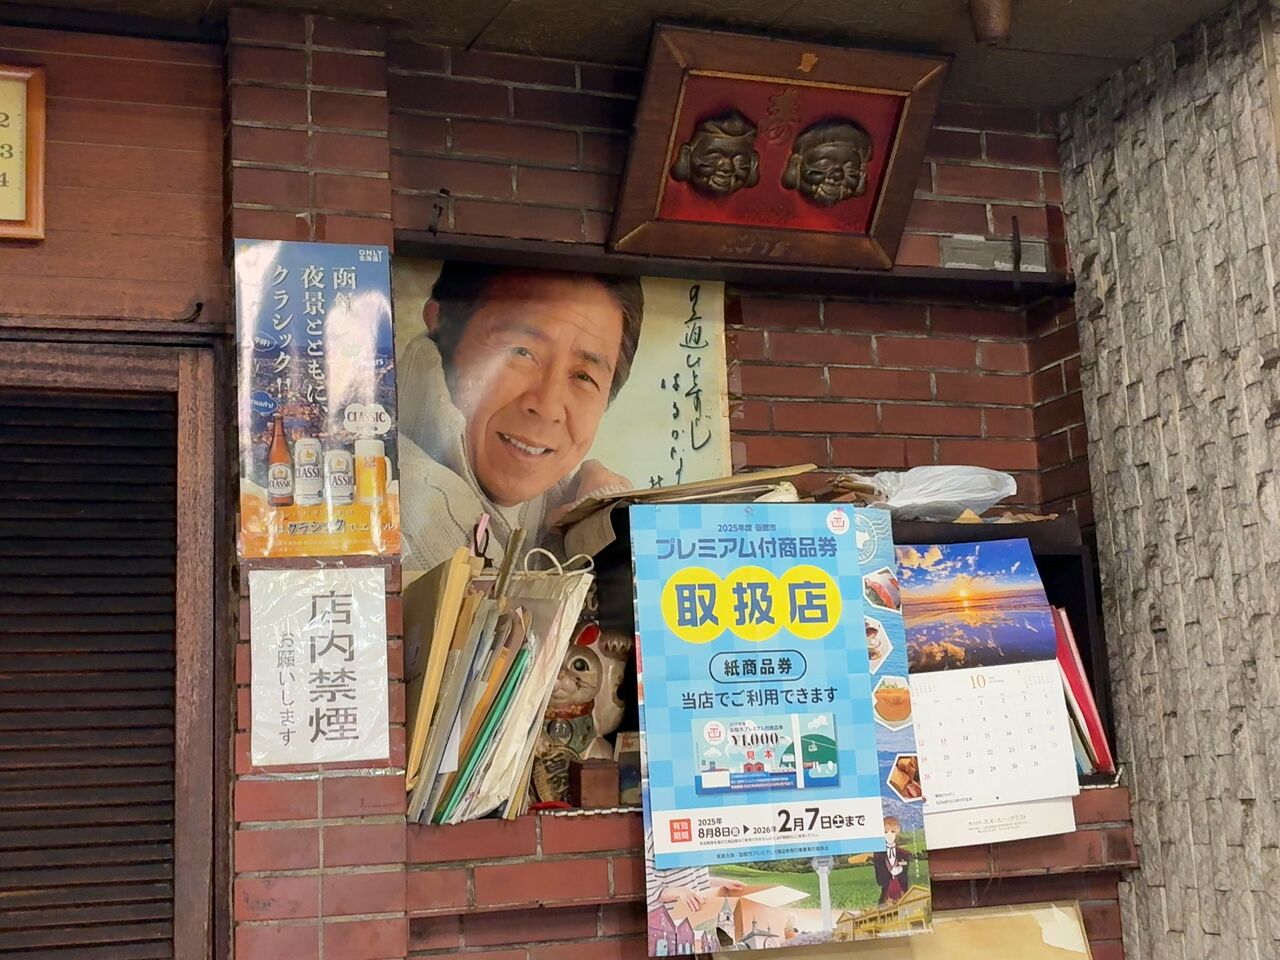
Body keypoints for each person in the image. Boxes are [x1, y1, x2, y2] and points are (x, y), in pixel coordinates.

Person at [398, 263, 643, 571]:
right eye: (521, 352)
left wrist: (602, 524)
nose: (548, 407)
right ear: (441, 324)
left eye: (583, 376)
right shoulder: (394, 498)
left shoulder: (560, 504)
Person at [872, 816, 912, 904]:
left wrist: (900, 870)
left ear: (897, 832)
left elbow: (906, 876)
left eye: (893, 831)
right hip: (886, 894)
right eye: (886, 832)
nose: (889, 835)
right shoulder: (878, 855)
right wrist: (890, 873)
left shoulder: (904, 853)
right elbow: (879, 880)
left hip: (902, 893)